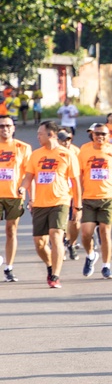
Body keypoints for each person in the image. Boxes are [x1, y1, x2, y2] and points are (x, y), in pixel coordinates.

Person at [22, 121, 81, 288]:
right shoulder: (35, 155)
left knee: (56, 235)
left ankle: (55, 276)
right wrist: (22, 188)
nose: (37, 137)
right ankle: (50, 266)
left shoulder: (67, 155)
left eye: (40, 134)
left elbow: (76, 182)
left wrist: (78, 205)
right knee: (39, 243)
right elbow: (29, 176)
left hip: (61, 200)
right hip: (40, 203)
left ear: (51, 135)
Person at [77, 123, 112, 280]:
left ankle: (106, 266)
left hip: (108, 197)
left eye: (103, 134)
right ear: (92, 134)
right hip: (88, 198)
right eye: (97, 133)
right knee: (86, 233)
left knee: (105, 232)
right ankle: (91, 255)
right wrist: (77, 198)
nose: (100, 136)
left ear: (108, 136)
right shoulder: (84, 151)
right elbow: (78, 176)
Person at [0, 115, 31, 282]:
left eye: (8, 126)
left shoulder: (23, 147)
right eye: (1, 126)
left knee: (11, 231)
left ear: (13, 128)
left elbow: (29, 173)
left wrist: (30, 195)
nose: (4, 129)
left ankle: (9, 267)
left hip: (14, 195)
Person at [57, 129, 82, 260]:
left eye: (68, 139)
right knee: (62, 221)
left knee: (75, 222)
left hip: (73, 191)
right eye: (62, 140)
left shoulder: (76, 152)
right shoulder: (53, 153)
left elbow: (83, 171)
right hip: (59, 193)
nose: (65, 142)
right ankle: (61, 244)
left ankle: (71, 243)